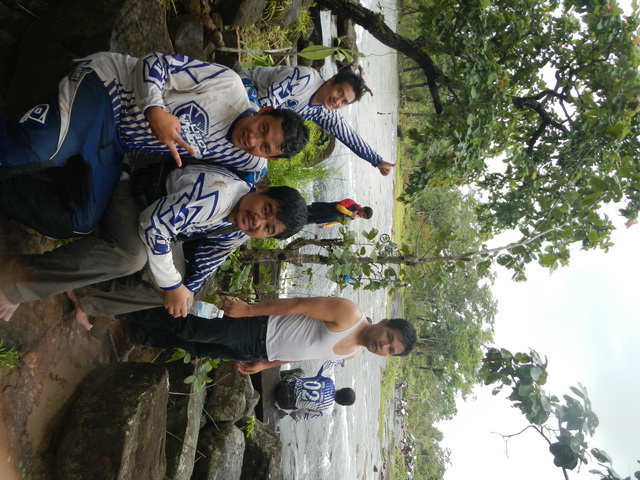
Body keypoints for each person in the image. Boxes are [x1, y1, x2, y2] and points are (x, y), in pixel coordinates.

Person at [0, 52, 309, 239]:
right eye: (263, 128)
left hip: (114, 144)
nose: (253, 140)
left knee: (79, 222)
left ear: (271, 158)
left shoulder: (250, 162)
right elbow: (154, 62)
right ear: (265, 111)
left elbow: (255, 198)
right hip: (107, 90)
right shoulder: (227, 85)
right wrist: (154, 110)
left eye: (265, 147)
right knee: (43, 149)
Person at [0, 165, 308, 323]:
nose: (257, 221)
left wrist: (185, 289)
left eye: (268, 228)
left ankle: (86, 295)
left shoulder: (240, 227)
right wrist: (173, 285)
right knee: (131, 258)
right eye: (265, 209)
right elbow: (153, 225)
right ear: (261, 191)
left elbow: (212, 257)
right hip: (132, 193)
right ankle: (16, 282)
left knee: (178, 293)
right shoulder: (218, 195)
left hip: (158, 224)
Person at [117, 296, 417, 374]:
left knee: (198, 347)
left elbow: (307, 352)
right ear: (384, 321)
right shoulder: (349, 313)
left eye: (390, 350)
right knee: (191, 327)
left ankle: (142, 334)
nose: (383, 346)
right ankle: (126, 307)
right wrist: (248, 310)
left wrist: (266, 364)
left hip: (259, 350)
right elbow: (297, 305)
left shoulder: (352, 353)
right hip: (258, 328)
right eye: (389, 337)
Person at [238, 65, 396, 176]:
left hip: (260, 123)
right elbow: (265, 104)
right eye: (339, 92)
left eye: (344, 102)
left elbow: (348, 135)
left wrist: (376, 161)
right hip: (248, 87)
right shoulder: (305, 79)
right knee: (251, 117)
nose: (337, 101)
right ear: (331, 80)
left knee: (256, 168)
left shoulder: (323, 112)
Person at [275, 360, 356, 421]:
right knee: (296, 408)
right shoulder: (327, 410)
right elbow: (298, 417)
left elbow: (331, 362)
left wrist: (342, 361)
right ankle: (280, 412)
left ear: (342, 388)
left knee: (300, 372)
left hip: (282, 386)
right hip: (283, 403)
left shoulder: (329, 380)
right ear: (342, 404)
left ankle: (278, 377)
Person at [306, 198, 373, 228]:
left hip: (322, 219)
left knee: (304, 221)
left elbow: (338, 221)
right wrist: (350, 213)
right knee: (303, 211)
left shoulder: (352, 218)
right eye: (363, 214)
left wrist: (326, 225)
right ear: (363, 208)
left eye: (363, 217)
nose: (361, 216)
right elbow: (338, 206)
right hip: (320, 209)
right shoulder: (351, 203)